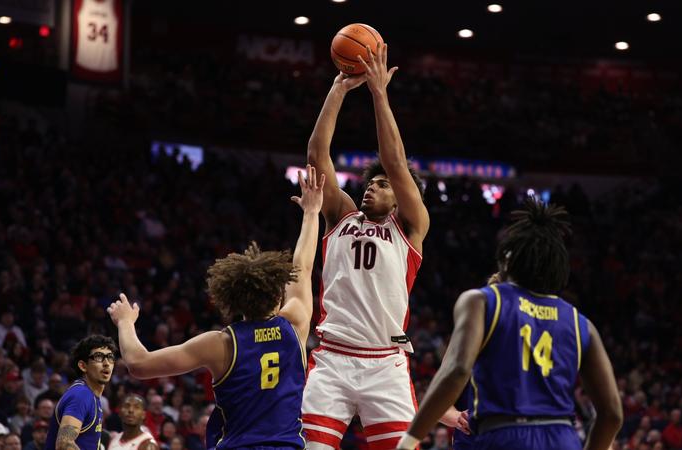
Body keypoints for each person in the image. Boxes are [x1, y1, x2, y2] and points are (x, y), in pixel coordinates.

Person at [108, 165, 324, 449]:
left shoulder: (221, 344)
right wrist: (311, 212)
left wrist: (125, 322)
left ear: (232, 300)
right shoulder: (295, 323)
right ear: (277, 295)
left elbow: (138, 364)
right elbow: (303, 268)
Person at [396, 199, 623, 450]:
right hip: (562, 437)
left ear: (507, 260)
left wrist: (410, 440)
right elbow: (612, 414)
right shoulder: (581, 324)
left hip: (504, 433)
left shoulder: (482, 301)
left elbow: (457, 371)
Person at [303, 41, 430, 449]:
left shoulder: (409, 226)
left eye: (382, 185)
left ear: (401, 196)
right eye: (370, 183)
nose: (371, 188)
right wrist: (338, 90)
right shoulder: (341, 216)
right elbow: (317, 154)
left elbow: (395, 162)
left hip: (385, 363)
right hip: (332, 359)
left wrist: (378, 93)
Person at [44, 335, 117, 450]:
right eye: (98, 357)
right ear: (83, 366)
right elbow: (64, 444)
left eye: (110, 357)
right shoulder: (81, 395)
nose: (107, 363)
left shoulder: (91, 396)